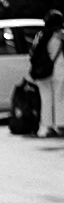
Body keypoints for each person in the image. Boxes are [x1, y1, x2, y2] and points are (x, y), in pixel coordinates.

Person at [31, 8, 64, 137]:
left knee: (46, 99)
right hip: (59, 69)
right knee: (60, 97)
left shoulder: (40, 34)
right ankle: (61, 125)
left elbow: (33, 53)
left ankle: (48, 127)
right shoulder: (60, 34)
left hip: (41, 72)